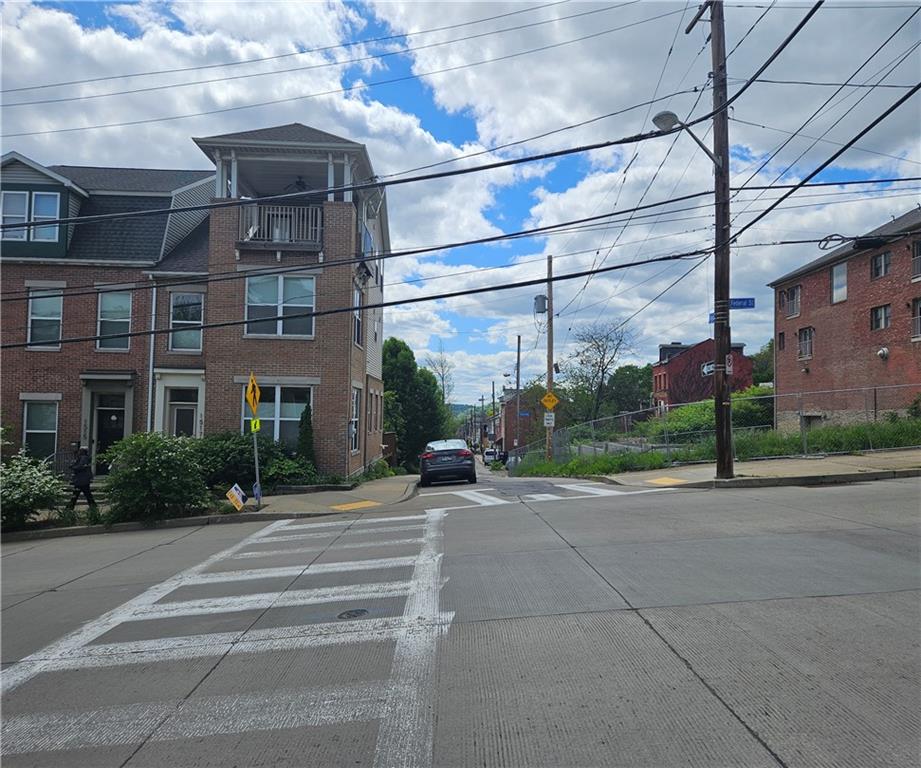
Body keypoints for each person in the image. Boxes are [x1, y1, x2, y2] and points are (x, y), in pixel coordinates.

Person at [68, 447, 96, 511]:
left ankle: (69, 509)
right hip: (83, 480)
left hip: (81, 480)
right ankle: (93, 507)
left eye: (80, 450)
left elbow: (80, 467)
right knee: (87, 495)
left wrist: (73, 467)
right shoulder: (83, 458)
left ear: (83, 451)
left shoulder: (83, 458)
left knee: (76, 496)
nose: (79, 451)